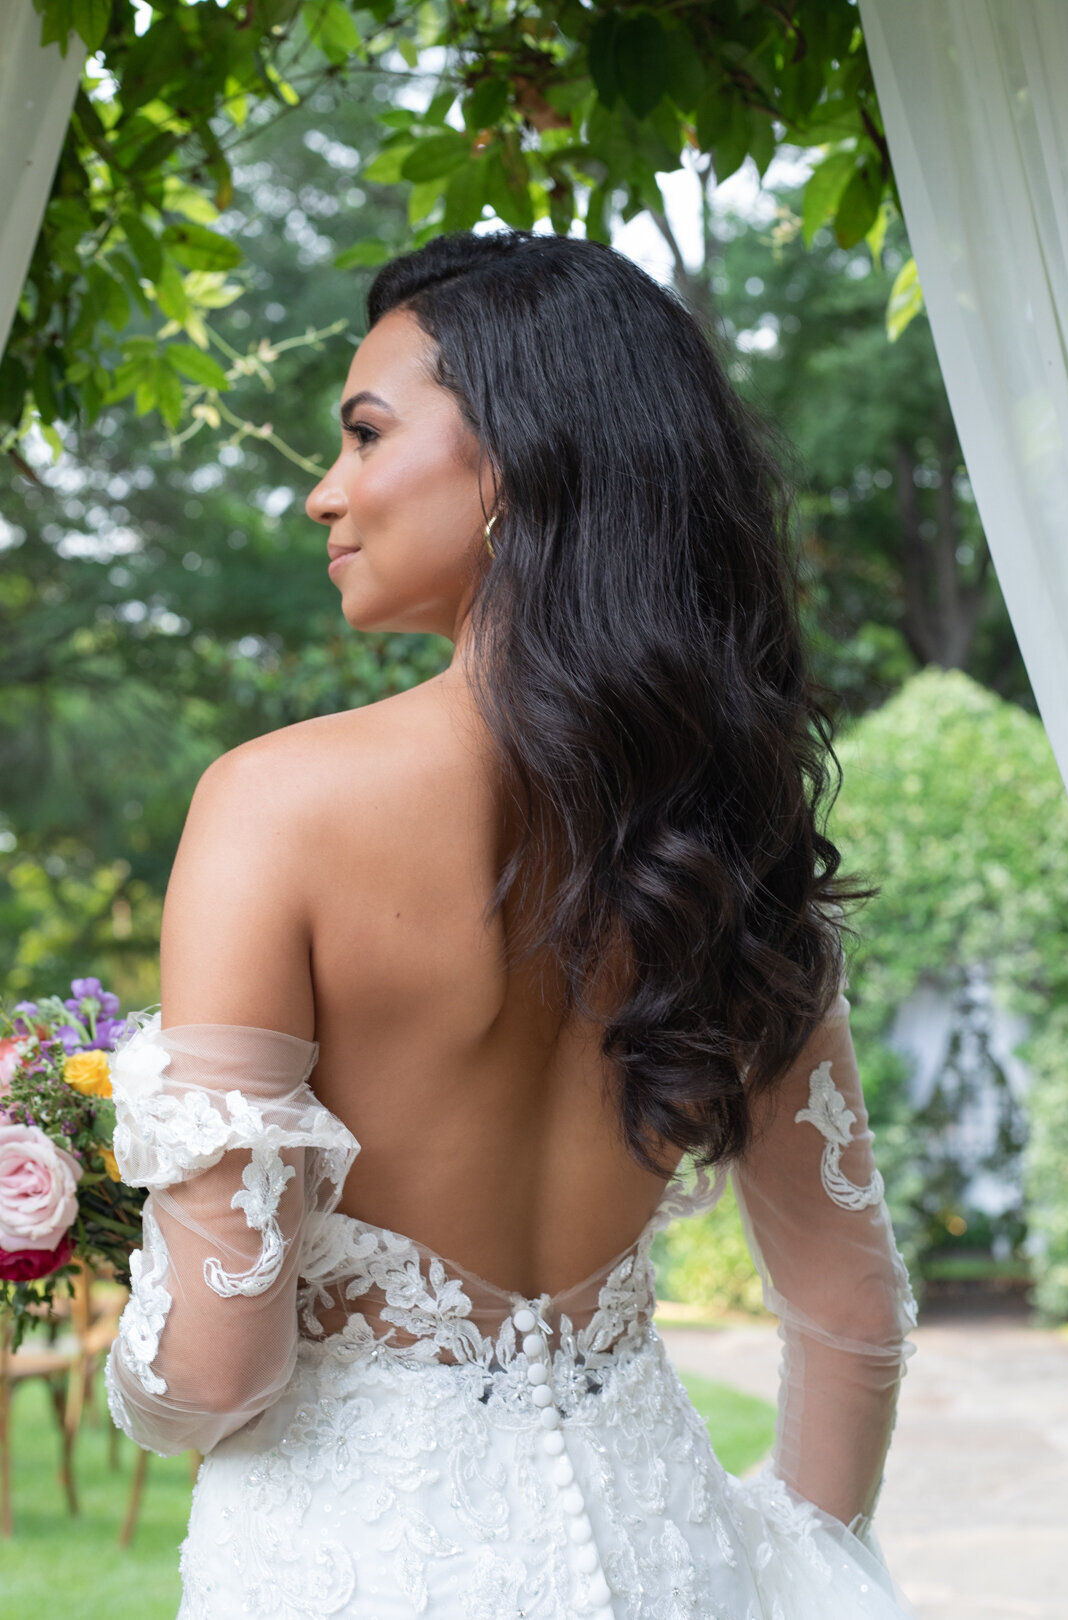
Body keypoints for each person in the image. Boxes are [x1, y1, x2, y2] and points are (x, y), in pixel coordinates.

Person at [104, 230, 917, 1619]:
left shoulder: (271, 809)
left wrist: (122, 1320)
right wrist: (796, 1570)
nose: (323, 493)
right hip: (675, 1571)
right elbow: (855, 1320)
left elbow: (215, 1375)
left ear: (516, 466)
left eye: (366, 436)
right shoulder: (732, 841)